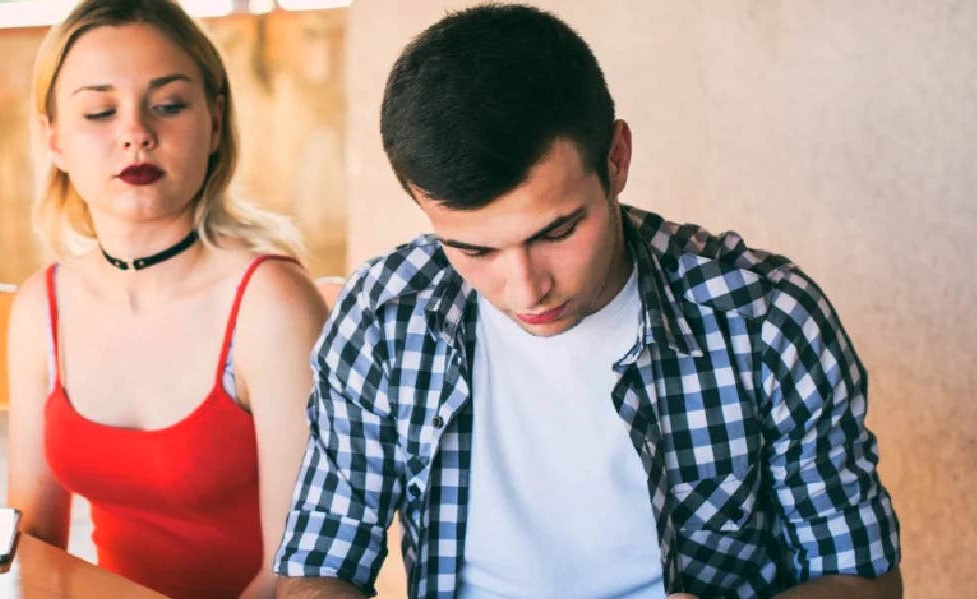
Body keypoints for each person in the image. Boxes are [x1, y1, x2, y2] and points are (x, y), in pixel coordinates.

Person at [274, 5, 901, 598]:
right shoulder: (384, 319)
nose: (525, 289)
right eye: (474, 251)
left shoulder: (764, 319)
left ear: (617, 160)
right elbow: (316, 570)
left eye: (556, 232)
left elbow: (862, 579)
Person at [5, 1, 327, 598]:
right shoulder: (38, 309)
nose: (136, 133)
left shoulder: (272, 304)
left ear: (214, 120)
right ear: (54, 141)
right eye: (99, 111)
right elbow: (35, 542)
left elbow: (295, 571)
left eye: (169, 104)